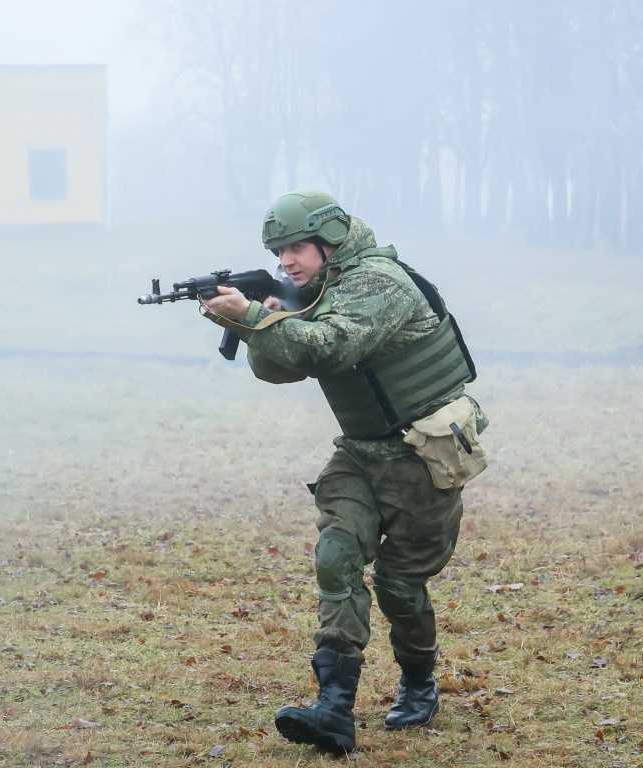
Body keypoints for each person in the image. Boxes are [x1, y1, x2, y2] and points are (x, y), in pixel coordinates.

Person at [200, 189, 487, 755]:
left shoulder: (380, 282)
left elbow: (329, 350)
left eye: (295, 249)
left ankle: (418, 681)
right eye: (278, 252)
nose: (286, 262)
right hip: (359, 454)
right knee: (335, 555)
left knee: (401, 590)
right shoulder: (317, 289)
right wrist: (264, 321)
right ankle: (333, 709)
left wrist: (255, 315)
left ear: (330, 242)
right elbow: (280, 372)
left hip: (421, 457)